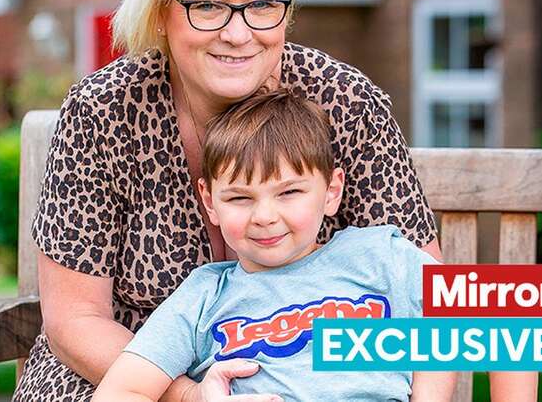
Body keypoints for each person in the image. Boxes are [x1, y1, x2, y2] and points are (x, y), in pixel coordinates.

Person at [13, 0, 465, 400]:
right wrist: (191, 396)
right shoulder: (104, 111)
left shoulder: (346, 102)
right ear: (159, 12)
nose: (238, 33)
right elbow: (76, 320)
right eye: (207, 5)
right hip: (116, 369)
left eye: (263, 4)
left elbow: (434, 306)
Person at [91, 89, 453, 402]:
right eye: (239, 198)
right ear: (210, 201)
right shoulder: (204, 297)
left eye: (289, 192)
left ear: (331, 191)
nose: (264, 216)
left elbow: (490, 311)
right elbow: (122, 391)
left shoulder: (377, 257)